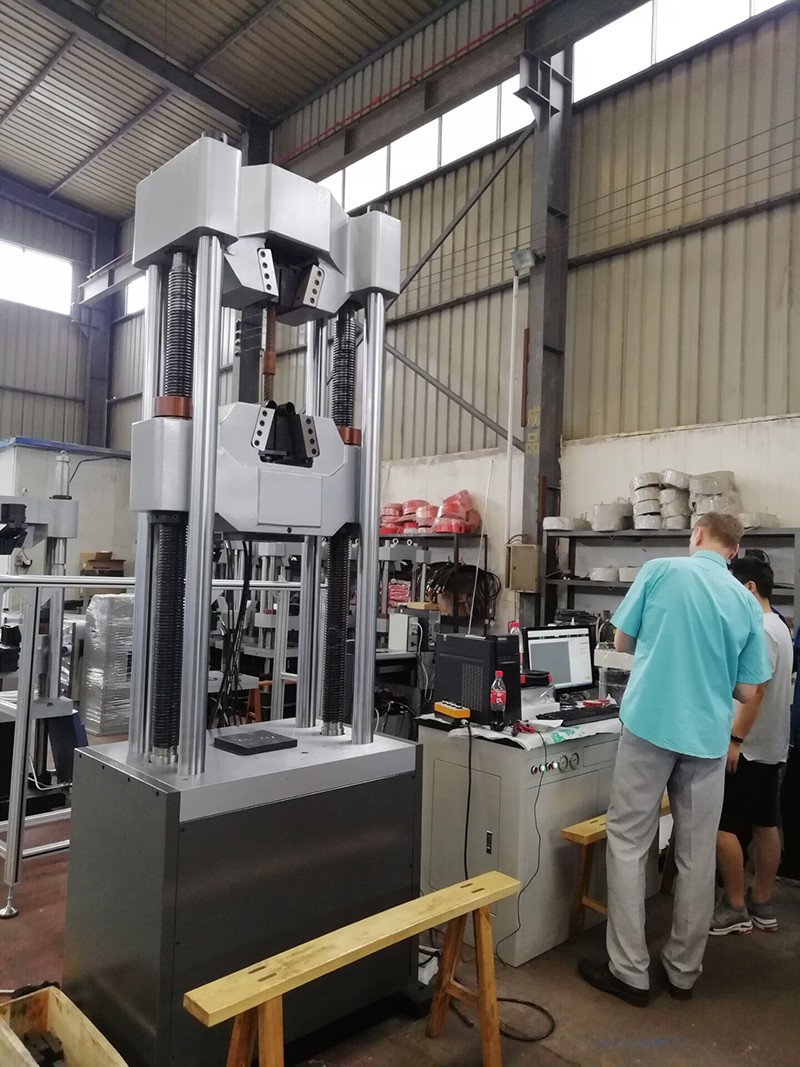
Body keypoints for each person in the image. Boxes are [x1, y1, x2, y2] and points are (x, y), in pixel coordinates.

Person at [578, 512, 770, 1006]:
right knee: (696, 853)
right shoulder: (745, 602)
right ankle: (684, 971)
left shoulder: (660, 570)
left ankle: (629, 970)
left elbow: (622, 642)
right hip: (706, 740)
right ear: (733, 551)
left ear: (697, 534)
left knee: (628, 842)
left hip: (650, 726)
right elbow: (748, 690)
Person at [710, 556, 793, 934]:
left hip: (748, 747)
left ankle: (734, 907)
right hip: (771, 745)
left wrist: (734, 740)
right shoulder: (780, 625)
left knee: (722, 827)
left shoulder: (759, 629)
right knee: (764, 823)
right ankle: (761, 902)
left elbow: (755, 691)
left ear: (749, 588)